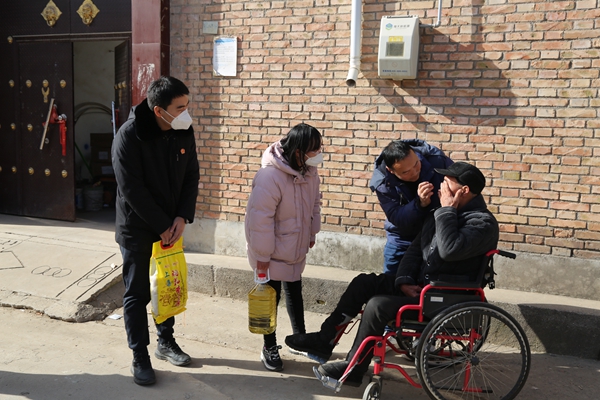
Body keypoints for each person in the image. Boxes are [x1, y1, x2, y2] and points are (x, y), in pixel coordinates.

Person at [286, 162, 499, 387]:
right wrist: (403, 281)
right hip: (422, 289)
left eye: (447, 183)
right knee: (363, 283)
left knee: (378, 306)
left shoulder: (482, 223)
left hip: (445, 299)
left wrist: (447, 211)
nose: (441, 187)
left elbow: (449, 249)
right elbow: (415, 250)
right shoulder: (441, 212)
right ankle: (324, 341)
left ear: (464, 190)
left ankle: (353, 369)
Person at [112, 76, 200, 386]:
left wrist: (182, 217)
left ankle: (166, 341)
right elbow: (132, 189)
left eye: (187, 105)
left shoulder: (183, 130)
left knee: (166, 287)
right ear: (159, 111)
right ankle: (140, 355)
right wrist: (162, 225)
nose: (186, 113)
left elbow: (191, 176)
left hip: (171, 226)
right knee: (137, 294)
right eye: (180, 108)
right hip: (137, 228)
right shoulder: (128, 136)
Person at [245, 123, 323, 372]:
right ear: (298, 151)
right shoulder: (269, 176)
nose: (319, 153)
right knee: (270, 298)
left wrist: (312, 232)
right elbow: (259, 220)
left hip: (294, 246)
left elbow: (314, 204)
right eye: (314, 149)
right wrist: (262, 256)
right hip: (270, 251)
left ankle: (300, 340)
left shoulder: (309, 172)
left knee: (295, 292)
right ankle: (269, 346)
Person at [370, 139, 453, 276]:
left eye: (416, 164)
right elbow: (396, 217)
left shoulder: (436, 159)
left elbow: (460, 184)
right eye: (406, 172)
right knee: (391, 283)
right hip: (402, 239)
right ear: (391, 170)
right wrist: (419, 204)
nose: (415, 172)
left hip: (436, 236)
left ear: (415, 154)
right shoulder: (383, 182)